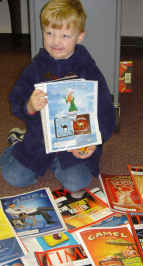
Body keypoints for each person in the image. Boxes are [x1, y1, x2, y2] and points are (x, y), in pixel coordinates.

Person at [0, 0, 115, 195]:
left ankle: (57, 162)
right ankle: (17, 145)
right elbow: (15, 99)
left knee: (76, 183)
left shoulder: (88, 70)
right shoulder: (36, 67)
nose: (55, 41)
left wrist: (93, 142)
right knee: (14, 177)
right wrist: (29, 105)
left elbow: (106, 112)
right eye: (49, 33)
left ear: (79, 37)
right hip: (38, 142)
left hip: (74, 146)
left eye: (65, 35)